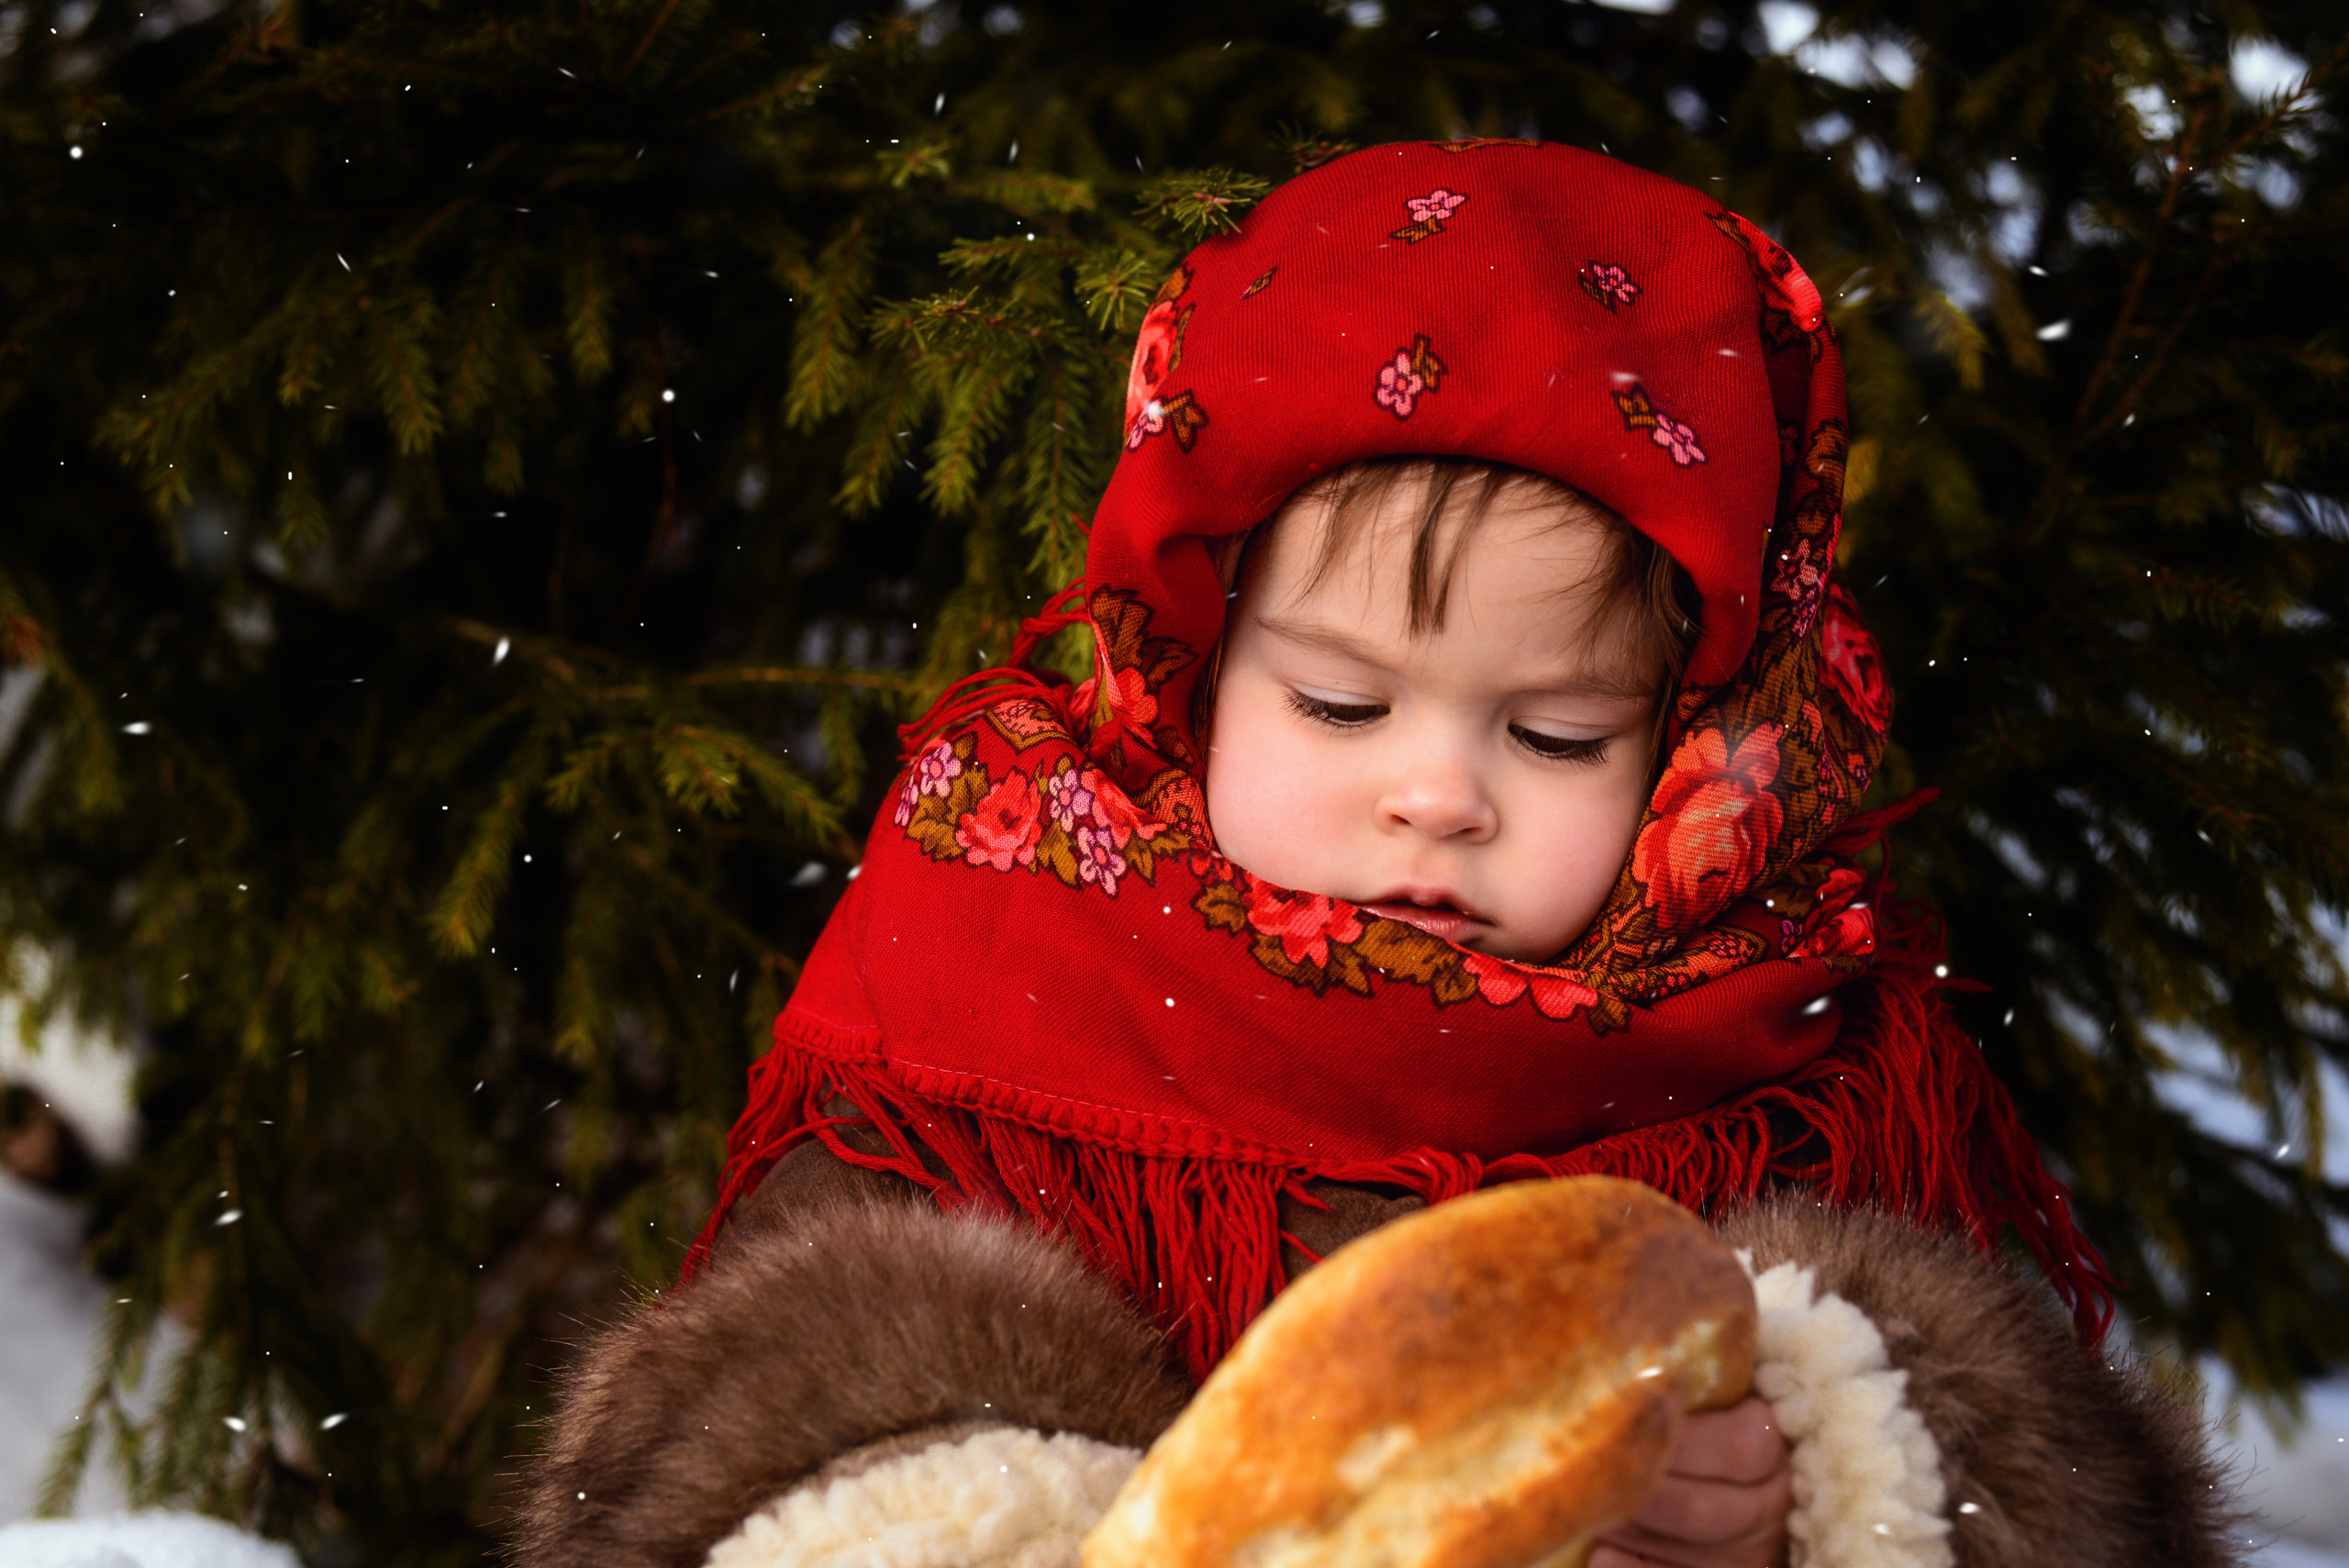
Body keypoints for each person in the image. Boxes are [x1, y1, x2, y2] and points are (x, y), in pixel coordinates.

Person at [514, 142, 2235, 1568]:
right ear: (1192, 669)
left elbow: (2087, 1510)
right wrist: (1002, 1511)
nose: (1438, 794)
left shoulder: (1787, 1062)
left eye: (1556, 735)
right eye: (1342, 704)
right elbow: (700, 1471)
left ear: (1701, 749)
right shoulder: (993, 989)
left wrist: (1819, 1468)